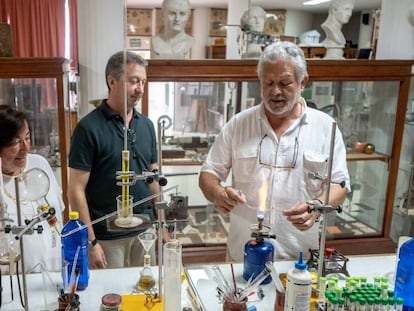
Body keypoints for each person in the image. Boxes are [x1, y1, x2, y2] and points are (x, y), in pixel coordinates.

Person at [199, 41, 350, 262]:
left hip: (298, 259)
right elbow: (208, 174)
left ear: (303, 82)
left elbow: (340, 184)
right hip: (243, 257)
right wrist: (218, 194)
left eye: (285, 83)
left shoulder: (326, 128)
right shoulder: (239, 125)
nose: (275, 91)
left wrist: (316, 207)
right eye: (268, 83)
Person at [68, 51, 160, 269]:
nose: (141, 89)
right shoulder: (88, 128)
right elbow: (75, 190)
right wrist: (91, 243)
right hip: (107, 239)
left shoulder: (146, 126)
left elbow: (153, 179)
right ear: (112, 81)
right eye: (134, 81)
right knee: (111, 299)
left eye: (143, 82)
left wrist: (161, 224)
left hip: (145, 233)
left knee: (145, 295)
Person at [0, 105, 65, 272]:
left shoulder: (40, 164)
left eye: (27, 138)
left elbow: (59, 212)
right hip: (16, 281)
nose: (25, 148)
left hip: (55, 269)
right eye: (16, 141)